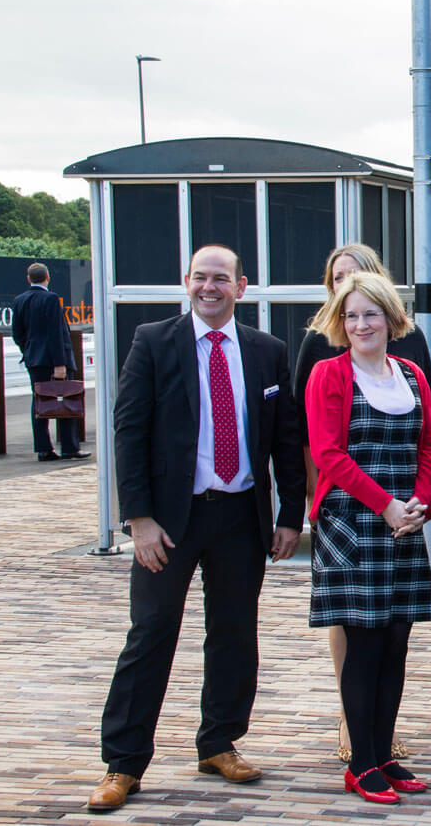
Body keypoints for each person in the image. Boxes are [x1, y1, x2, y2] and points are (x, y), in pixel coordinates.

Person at [88, 245, 305, 812]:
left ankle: (219, 742)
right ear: (187, 281)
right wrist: (138, 521)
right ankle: (123, 763)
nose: (210, 287)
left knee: (234, 634)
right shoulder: (153, 342)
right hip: (168, 521)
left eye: (222, 279)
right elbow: (128, 432)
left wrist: (289, 517)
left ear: (242, 285)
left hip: (239, 515)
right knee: (151, 633)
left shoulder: (267, 351)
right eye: (201, 277)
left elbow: (285, 439)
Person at [291, 242, 431, 764]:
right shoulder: (328, 374)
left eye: (370, 314)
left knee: (397, 644)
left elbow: (427, 446)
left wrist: (419, 502)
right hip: (354, 524)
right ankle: (362, 761)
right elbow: (327, 454)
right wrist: (387, 506)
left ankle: (385, 755)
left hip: (404, 525)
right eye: (350, 316)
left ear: (390, 317)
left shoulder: (412, 375)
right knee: (364, 646)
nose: (360, 324)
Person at [11, 262, 89, 462]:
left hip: (34, 360)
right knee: (65, 399)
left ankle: (44, 449)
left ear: (29, 279)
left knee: (39, 403)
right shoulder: (51, 299)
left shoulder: (19, 300)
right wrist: (60, 363)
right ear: (48, 277)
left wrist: (28, 350)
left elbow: (17, 333)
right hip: (54, 360)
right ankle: (69, 447)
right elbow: (56, 332)